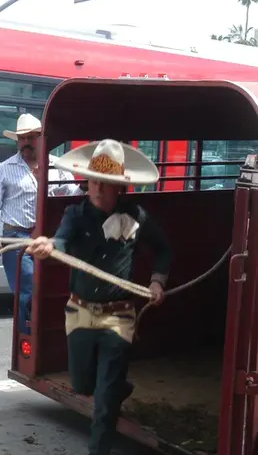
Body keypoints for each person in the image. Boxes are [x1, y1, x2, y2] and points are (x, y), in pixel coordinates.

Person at [25, 139, 172, 455]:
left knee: (103, 403)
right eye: (93, 182)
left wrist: (157, 282)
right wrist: (48, 246)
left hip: (119, 318)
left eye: (106, 184)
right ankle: (116, 387)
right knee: (82, 385)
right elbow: (61, 243)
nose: (98, 190)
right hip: (80, 312)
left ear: (119, 186)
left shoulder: (137, 217)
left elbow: (163, 250)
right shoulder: (75, 215)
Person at [0, 113, 82, 334]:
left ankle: (46, 335)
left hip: (49, 238)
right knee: (28, 289)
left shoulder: (58, 166)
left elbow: (72, 194)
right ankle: (28, 338)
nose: (26, 143)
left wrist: (85, 185)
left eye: (31, 137)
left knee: (53, 288)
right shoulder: (4, 169)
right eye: (22, 138)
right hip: (17, 239)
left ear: (41, 138)